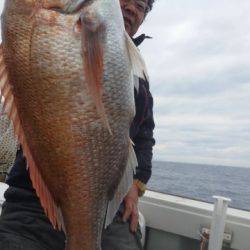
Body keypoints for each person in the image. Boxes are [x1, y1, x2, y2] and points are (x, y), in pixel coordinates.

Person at [0, 0, 155, 249]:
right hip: (29, 201)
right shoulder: (71, 22)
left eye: (142, 6)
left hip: (106, 210)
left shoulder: (139, 81)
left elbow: (145, 137)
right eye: (127, 0)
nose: (132, 9)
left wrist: (135, 185)